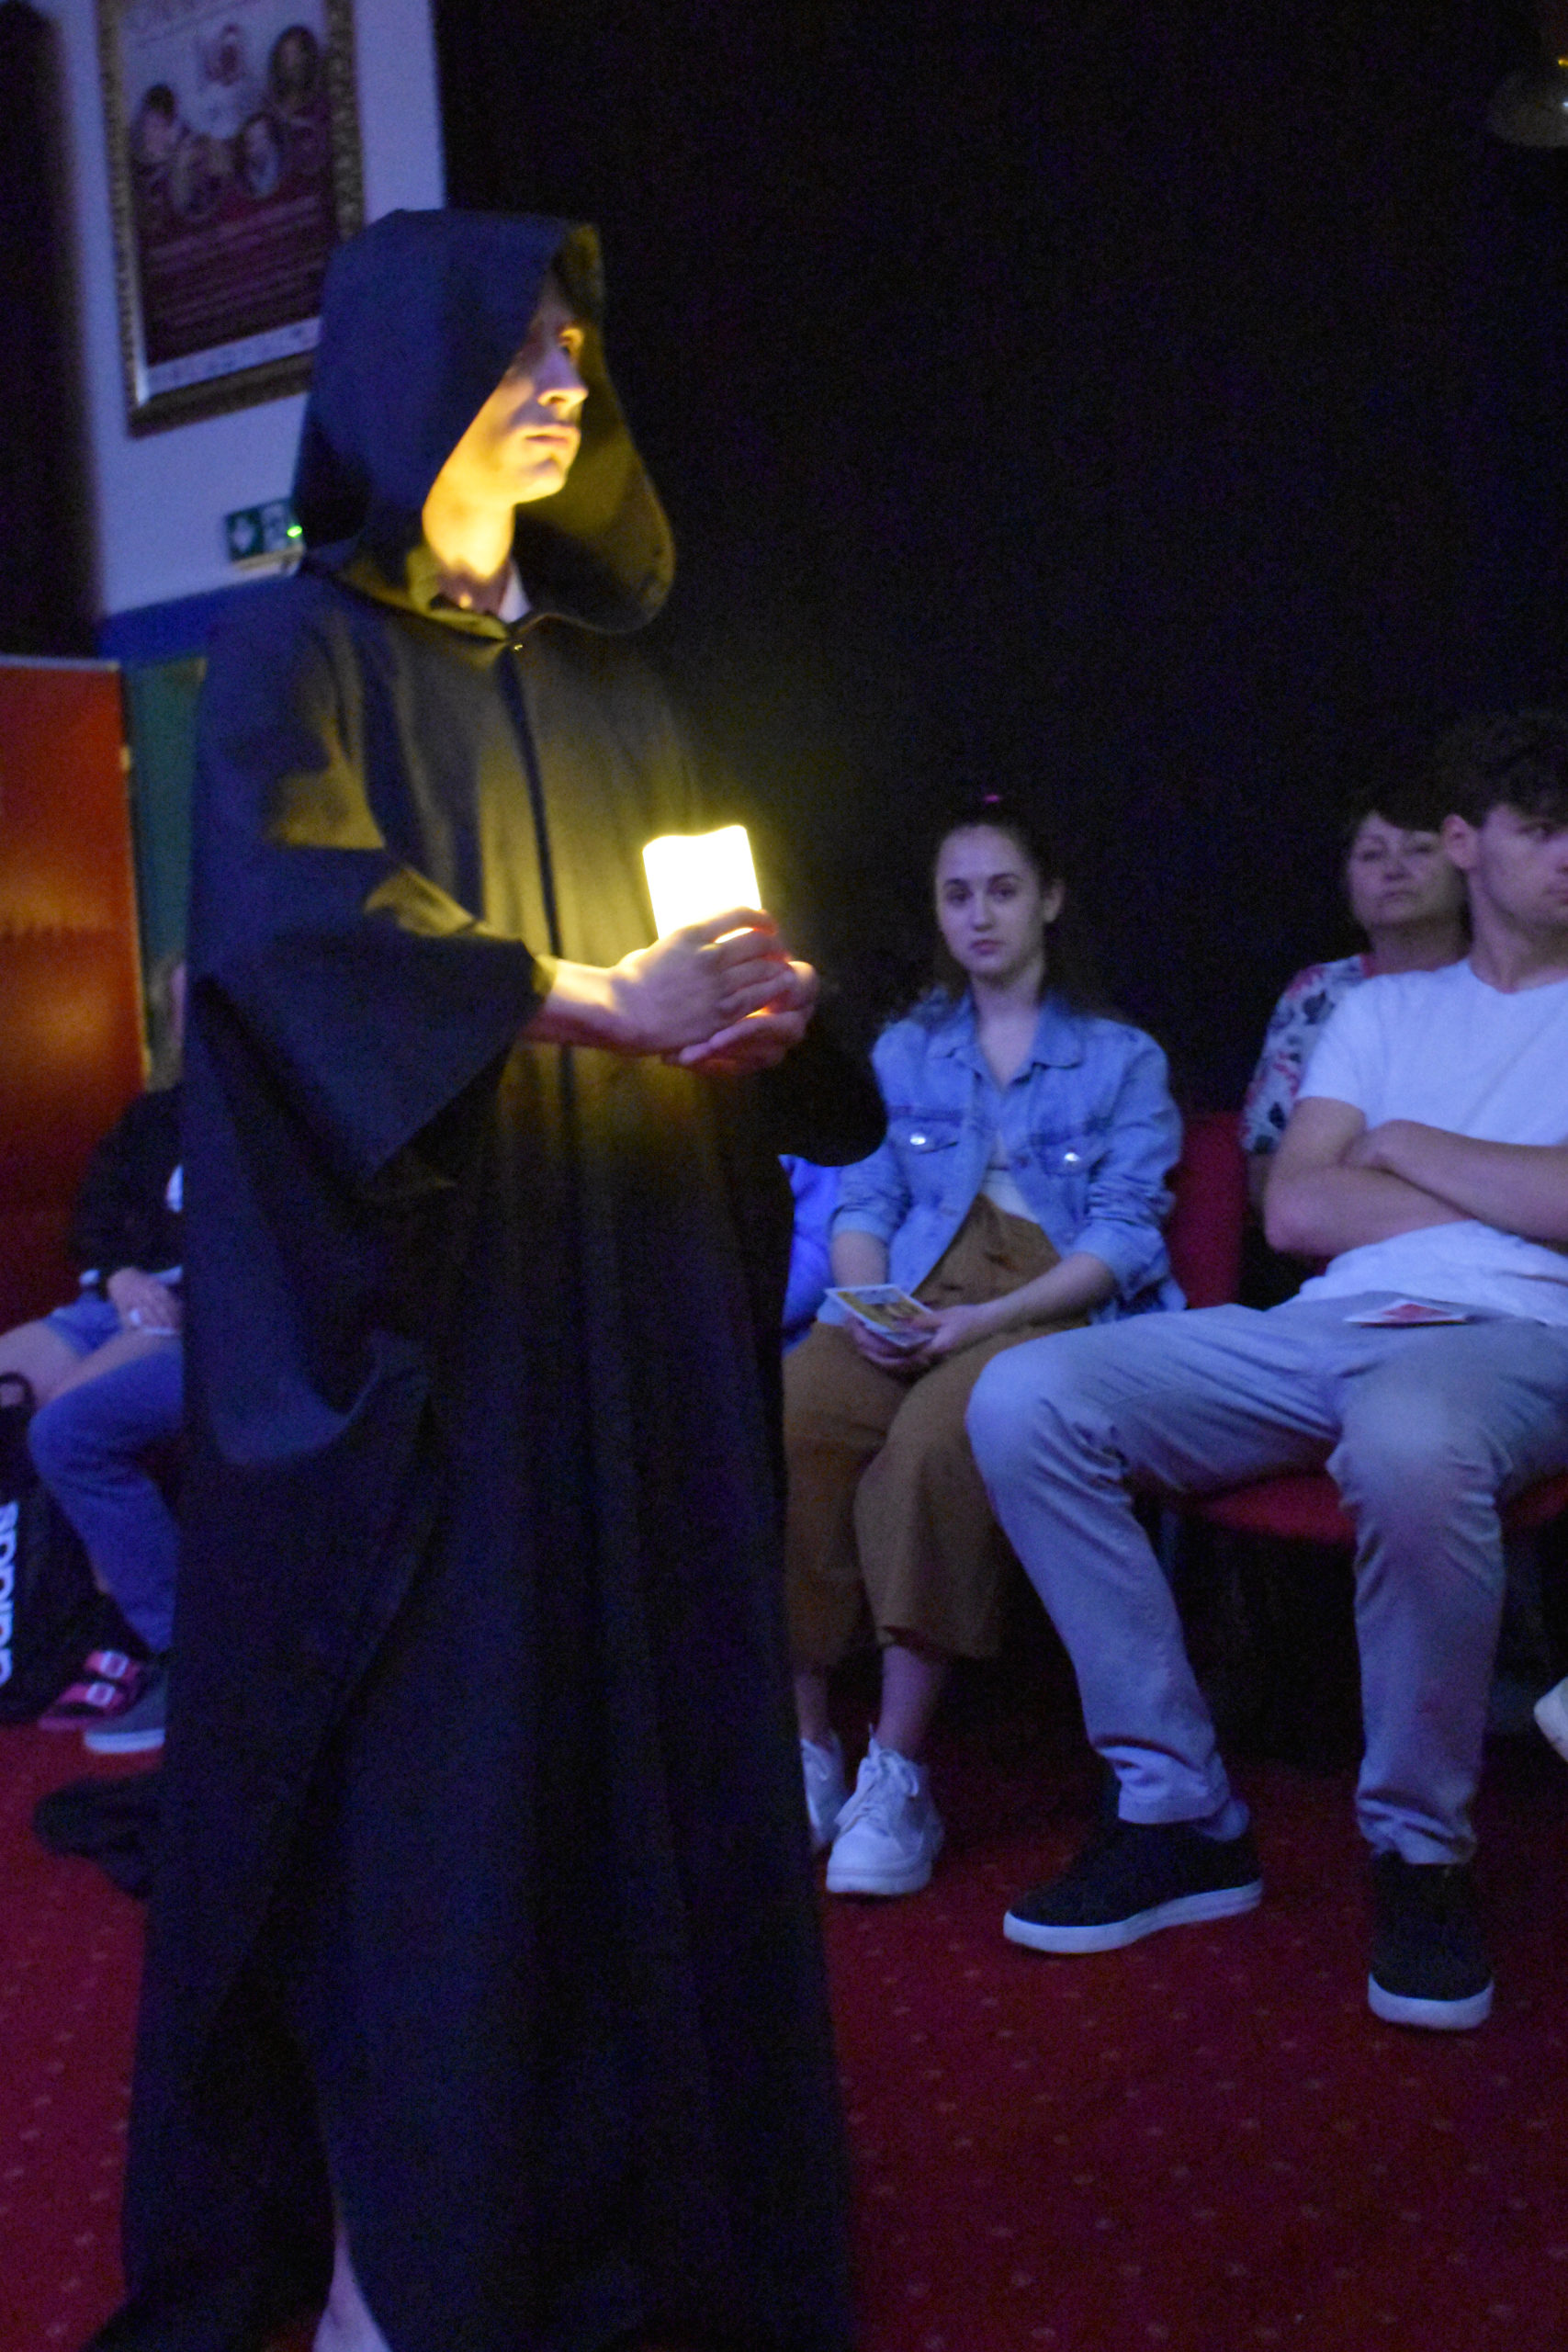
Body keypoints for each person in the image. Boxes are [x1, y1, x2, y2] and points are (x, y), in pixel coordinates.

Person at [94, 210, 879, 2352]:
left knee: (650, 1753)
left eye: (573, 351)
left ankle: (663, 2213)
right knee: (447, 1786)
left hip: (632, 1302)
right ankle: (413, 2247)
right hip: (440, 1335)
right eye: (523, 346)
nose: (561, 381)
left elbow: (713, 934)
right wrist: (588, 999)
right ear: (403, 374)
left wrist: (750, 1010)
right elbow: (291, 937)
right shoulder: (295, 657)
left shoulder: (621, 684)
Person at [965, 710, 1568, 2033]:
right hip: (1325, 1324)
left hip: (1520, 1335)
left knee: (1409, 1438)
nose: (1566, 854)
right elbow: (1295, 1211)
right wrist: (1513, 1188)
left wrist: (1402, 1147)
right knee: (1026, 1395)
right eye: (1541, 829)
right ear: (1470, 843)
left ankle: (1420, 1848)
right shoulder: (1380, 1009)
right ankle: (1178, 1807)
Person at [787, 800, 1181, 1897]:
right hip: (916, 1290)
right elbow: (863, 1199)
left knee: (931, 1446)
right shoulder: (906, 1046)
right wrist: (869, 1306)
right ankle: (808, 1740)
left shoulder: (1120, 1056)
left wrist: (984, 1323)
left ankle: (897, 1768)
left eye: (1003, 889)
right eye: (957, 894)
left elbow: (1122, 1237)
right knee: (796, 1412)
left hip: (1045, 1301)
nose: (979, 915)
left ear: (1047, 899)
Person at [6, 960, 185, 1754]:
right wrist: (116, 1275)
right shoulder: (152, 1119)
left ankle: (127, 1634)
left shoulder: (261, 1113)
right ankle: (29, 1623)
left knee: (65, 1421)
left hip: (181, 1312)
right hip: (113, 1298)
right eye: (181, 1011)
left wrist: (152, 1291)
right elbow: (97, 1217)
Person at [1241, 785, 1468, 1210]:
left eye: (1419, 849)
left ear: (1468, 867)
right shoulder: (1318, 992)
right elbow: (1266, 1171)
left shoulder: (1506, 986)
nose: (1394, 869)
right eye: (1371, 855)